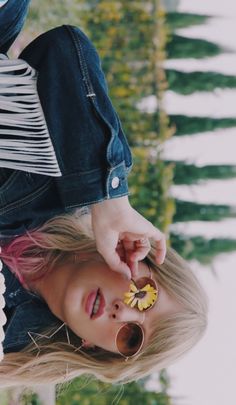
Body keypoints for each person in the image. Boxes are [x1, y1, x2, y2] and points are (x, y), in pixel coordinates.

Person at [0, 0, 208, 387]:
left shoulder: (11, 338)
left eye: (132, 337)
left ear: (93, 348)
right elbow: (60, 48)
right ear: (135, 253)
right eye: (143, 296)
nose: (122, 314)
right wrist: (109, 201)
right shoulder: (66, 181)